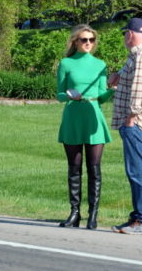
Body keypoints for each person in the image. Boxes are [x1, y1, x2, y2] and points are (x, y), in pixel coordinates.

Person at [108, 18, 142, 235]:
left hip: (137, 124)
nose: (124, 38)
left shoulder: (141, 58)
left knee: (137, 171)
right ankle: (137, 217)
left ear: (130, 34)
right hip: (138, 123)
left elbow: (139, 92)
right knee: (135, 171)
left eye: (125, 34)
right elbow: (131, 79)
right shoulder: (138, 57)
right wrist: (118, 77)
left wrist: (131, 117)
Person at [56, 24, 114, 229]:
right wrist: (70, 94)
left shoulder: (100, 65)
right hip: (73, 115)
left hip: (93, 117)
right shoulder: (66, 63)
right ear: (75, 42)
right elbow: (59, 94)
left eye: (91, 40)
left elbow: (102, 96)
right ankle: (74, 213)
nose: (88, 43)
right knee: (74, 168)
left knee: (94, 168)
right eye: (84, 40)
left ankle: (93, 215)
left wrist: (112, 89)